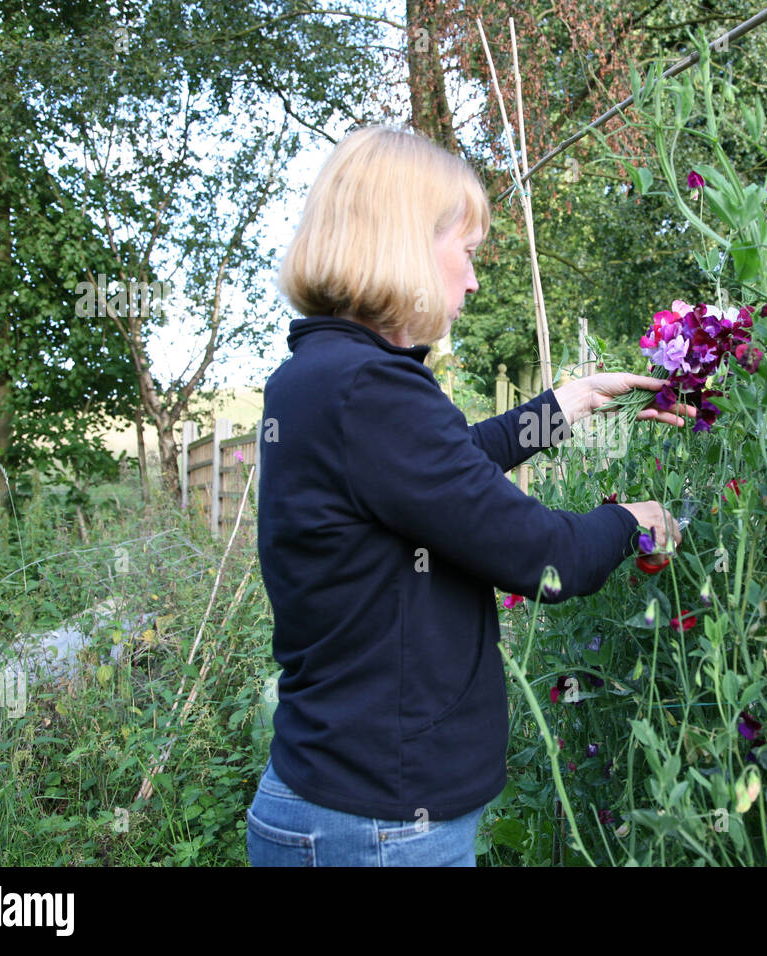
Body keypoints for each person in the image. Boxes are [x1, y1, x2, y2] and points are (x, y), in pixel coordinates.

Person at [246, 124, 693, 866]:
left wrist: (564, 404)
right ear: (406, 242)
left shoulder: (321, 375)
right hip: (379, 828)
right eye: (469, 251)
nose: (474, 280)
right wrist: (635, 520)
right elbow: (548, 557)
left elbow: (433, 481)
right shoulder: (372, 387)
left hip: (334, 804)